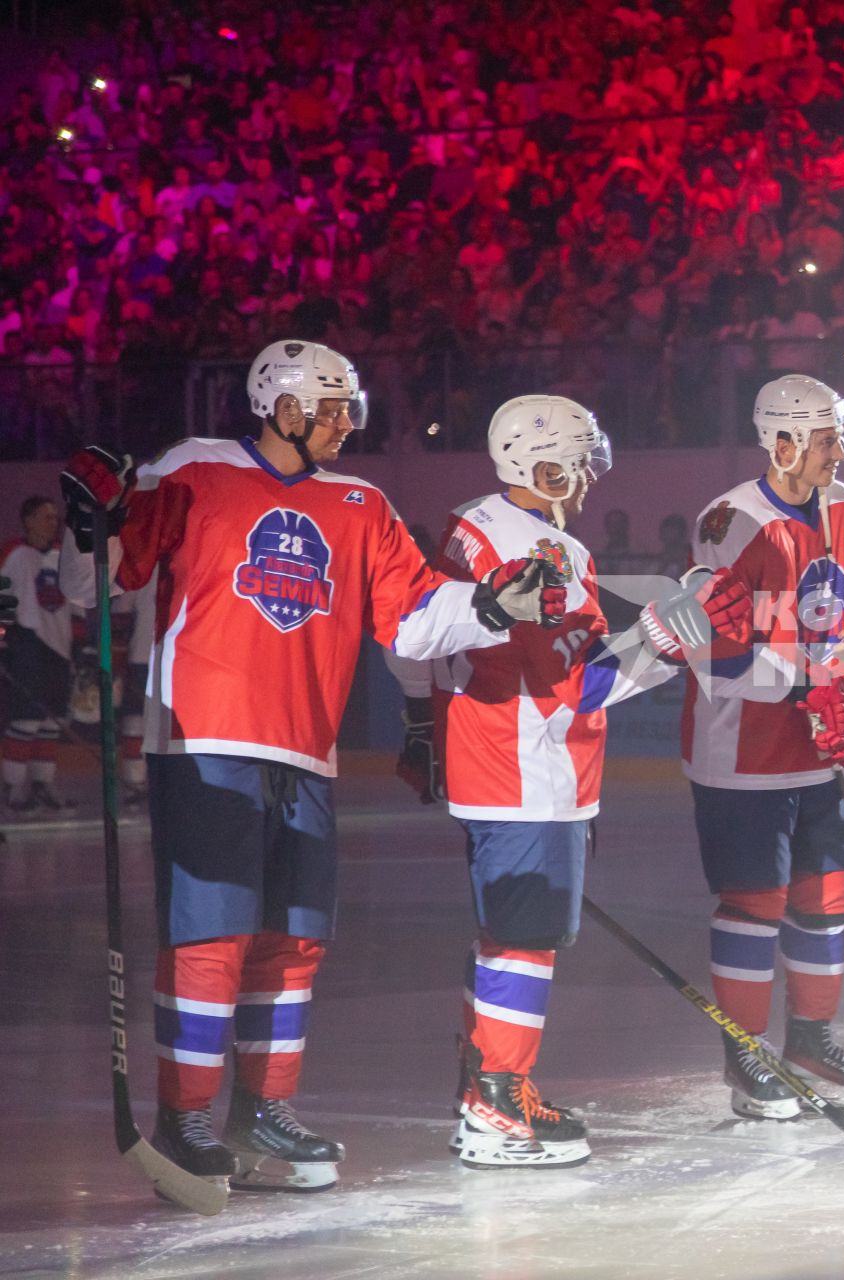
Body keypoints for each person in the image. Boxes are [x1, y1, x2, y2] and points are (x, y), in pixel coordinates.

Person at [58, 339, 567, 1202]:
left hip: (306, 749)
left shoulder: (360, 502)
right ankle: (185, 1118)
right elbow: (93, 586)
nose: (344, 424)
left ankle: (264, 1111)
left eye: (347, 408)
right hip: (205, 742)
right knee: (210, 936)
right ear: (283, 408)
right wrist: (85, 525)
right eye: (330, 409)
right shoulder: (193, 471)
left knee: (294, 941)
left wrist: (486, 604)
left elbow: (410, 618)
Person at [393, 395, 750, 1169]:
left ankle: (487, 1087)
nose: (591, 478)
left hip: (506, 760)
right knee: (525, 938)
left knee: (506, 937)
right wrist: (666, 635)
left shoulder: (476, 524)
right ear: (545, 465)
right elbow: (578, 688)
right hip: (527, 764)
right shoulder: (542, 549)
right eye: (582, 462)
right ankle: (497, 1103)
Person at [684, 374, 844, 1119]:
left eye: (842, 438)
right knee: (755, 901)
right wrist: (808, 686)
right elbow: (714, 644)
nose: (843, 452)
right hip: (744, 751)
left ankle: (810, 1038)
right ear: (781, 442)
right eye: (829, 439)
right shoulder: (730, 522)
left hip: (823, 747)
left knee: (826, 897)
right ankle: (746, 1053)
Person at [1, 496, 75, 814]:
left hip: (60, 647)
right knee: (26, 718)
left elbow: (77, 603)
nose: (52, 522)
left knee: (51, 721)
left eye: (54, 517)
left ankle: (43, 784)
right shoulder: (15, 555)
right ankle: (14, 788)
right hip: (27, 645)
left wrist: (84, 649)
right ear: (28, 519)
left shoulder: (63, 556)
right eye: (45, 516)